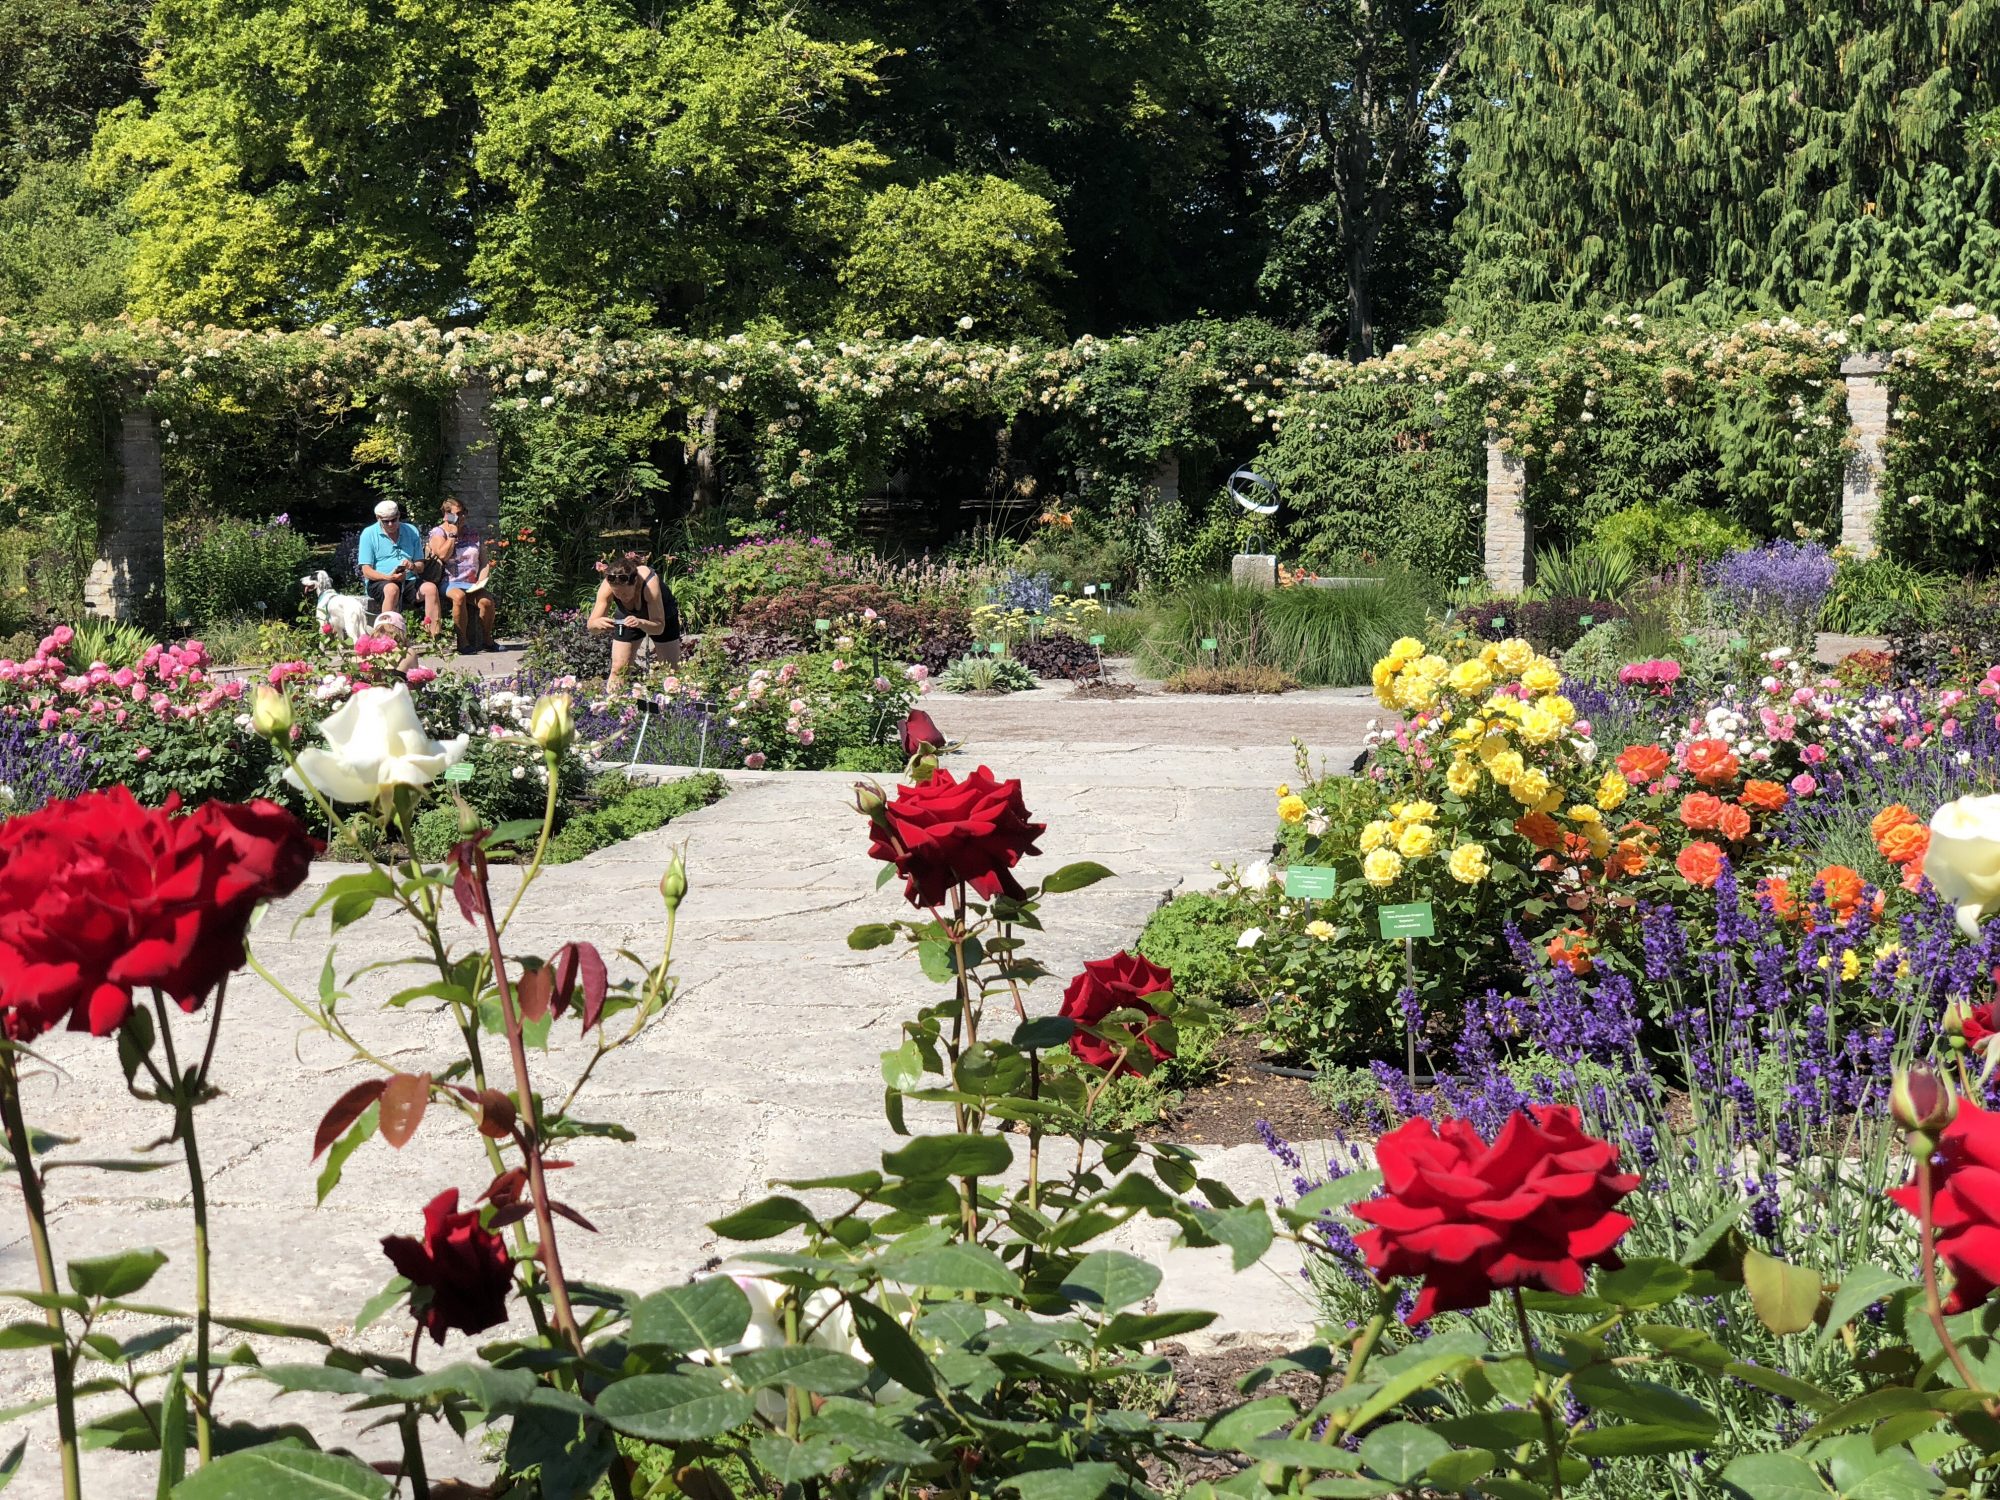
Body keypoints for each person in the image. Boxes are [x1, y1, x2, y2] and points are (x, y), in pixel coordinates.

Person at [587, 551, 682, 686]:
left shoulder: (650, 585)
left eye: (625, 593)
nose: (621, 597)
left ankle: (675, 704)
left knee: (670, 671)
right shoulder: (609, 584)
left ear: (635, 583)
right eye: (617, 593)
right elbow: (591, 626)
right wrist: (597, 624)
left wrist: (641, 622)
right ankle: (614, 704)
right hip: (628, 617)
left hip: (662, 617)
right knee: (619, 668)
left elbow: (659, 628)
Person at [357, 500, 439, 629]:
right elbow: (366, 571)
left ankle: (434, 636)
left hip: (409, 579)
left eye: (394, 520)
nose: (390, 524)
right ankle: (387, 637)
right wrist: (389, 577)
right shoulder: (368, 534)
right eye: (385, 521)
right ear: (378, 518)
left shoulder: (411, 531)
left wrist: (411, 566)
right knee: (392, 589)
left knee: (431, 588)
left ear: (399, 516)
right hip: (380, 581)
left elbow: (420, 566)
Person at [429, 498, 497, 652]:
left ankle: (487, 638)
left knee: (486, 601)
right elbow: (442, 555)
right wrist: (452, 535)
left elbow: (484, 561)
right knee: (459, 597)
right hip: (448, 581)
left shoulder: (472, 533)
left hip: (471, 582)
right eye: (457, 514)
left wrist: (482, 580)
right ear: (446, 515)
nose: (462, 517)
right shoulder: (438, 532)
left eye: (464, 512)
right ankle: (463, 641)